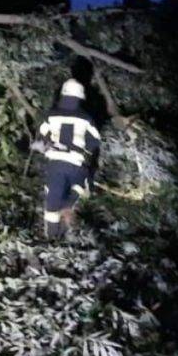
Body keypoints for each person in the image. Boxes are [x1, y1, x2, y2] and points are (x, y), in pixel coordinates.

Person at [33, 78, 101, 239]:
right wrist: (87, 152)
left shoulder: (51, 115)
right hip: (76, 163)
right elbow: (95, 139)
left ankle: (51, 236)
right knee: (78, 188)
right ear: (80, 97)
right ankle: (67, 213)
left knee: (53, 199)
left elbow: (42, 136)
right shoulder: (86, 118)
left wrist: (45, 147)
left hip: (55, 163)